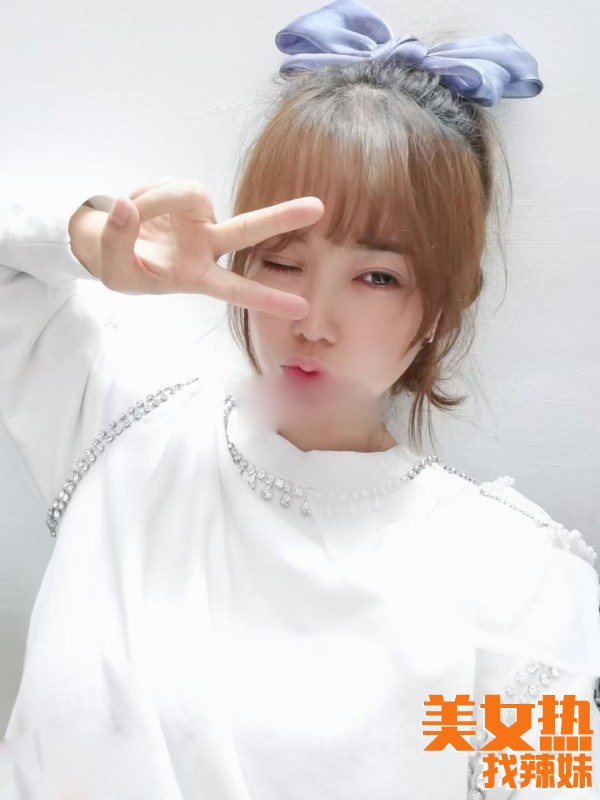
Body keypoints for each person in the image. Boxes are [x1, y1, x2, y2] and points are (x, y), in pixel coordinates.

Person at [1, 0, 599, 797]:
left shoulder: (519, 574)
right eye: (282, 261)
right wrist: (98, 241)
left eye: (377, 277)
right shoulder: (120, 423)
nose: (313, 320)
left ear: (443, 309)